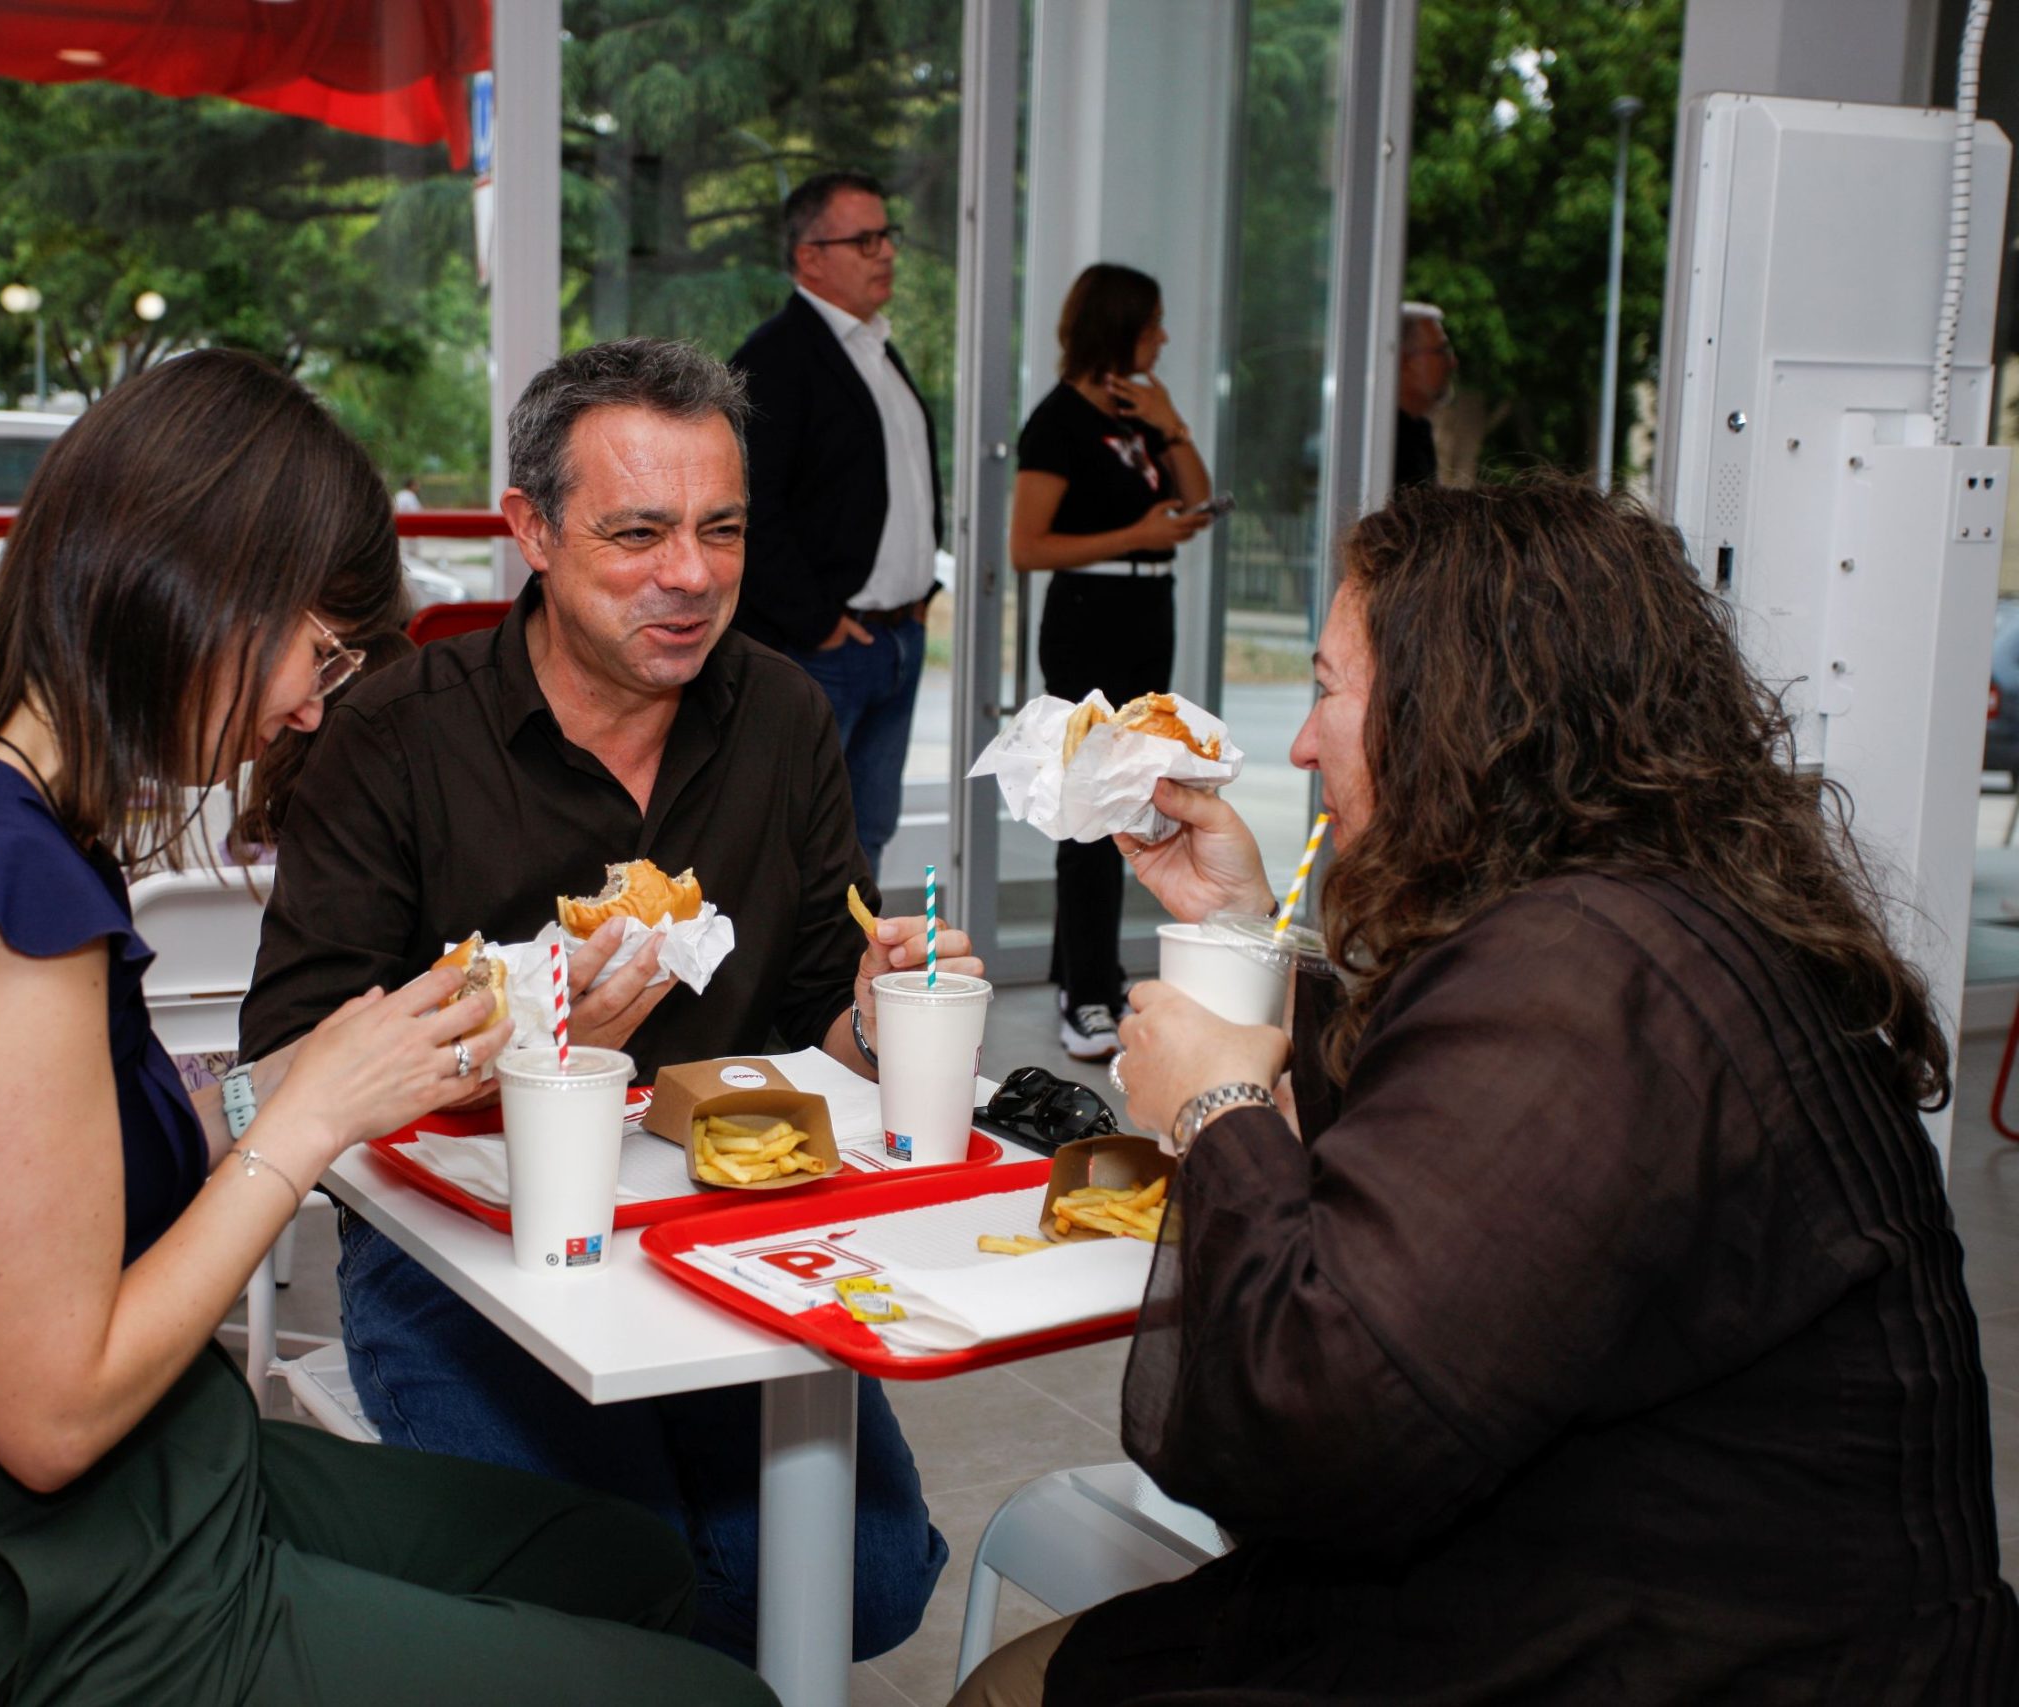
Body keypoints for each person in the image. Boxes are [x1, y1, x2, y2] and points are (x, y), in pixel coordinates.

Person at [0, 349, 776, 1707]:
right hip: (1, 1567)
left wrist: (342, 1065)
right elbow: (51, 1416)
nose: (310, 700)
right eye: (316, 647)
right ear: (197, 591)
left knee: (626, 1558)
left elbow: (68, 1169)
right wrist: (306, 1123)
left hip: (131, 1478)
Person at [955, 477, 2016, 1705]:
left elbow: (1320, 1413)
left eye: (1326, 690)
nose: (1301, 745)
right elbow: (1451, 1161)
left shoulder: (1588, 974)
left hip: (1709, 1653)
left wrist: (1215, 1118)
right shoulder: (1630, 915)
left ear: (1457, 710)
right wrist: (1248, 929)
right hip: (1643, 1581)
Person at [239, 337, 976, 1665]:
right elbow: (289, 1053)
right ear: (530, 528)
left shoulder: (786, 717)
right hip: (456, 1246)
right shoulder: (399, 733)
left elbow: (820, 1009)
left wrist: (881, 1010)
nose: (690, 575)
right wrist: (516, 1030)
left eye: (721, 528)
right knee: (612, 1589)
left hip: (720, 1221)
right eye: (636, 532)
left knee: (863, 1585)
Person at [1008, 263, 1214, 1062]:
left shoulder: (1136, 412)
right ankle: (1086, 993)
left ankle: (1084, 968)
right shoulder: (1057, 421)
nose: (1162, 337)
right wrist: (1137, 536)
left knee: (1134, 791)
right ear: (1119, 325)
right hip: (1089, 616)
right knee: (1096, 803)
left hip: (1144, 611)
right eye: (1153, 322)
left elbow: (1196, 503)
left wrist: (1172, 424)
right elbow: (1028, 547)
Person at [729, 168, 941, 884]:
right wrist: (817, 623)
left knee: (867, 836)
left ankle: (853, 989)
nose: (886, 252)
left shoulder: (875, 349)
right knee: (797, 846)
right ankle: (798, 996)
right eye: (864, 239)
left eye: (888, 236)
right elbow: (750, 509)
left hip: (896, 638)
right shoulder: (776, 357)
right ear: (809, 256)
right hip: (826, 647)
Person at [1393, 301, 1454, 490]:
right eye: (1440, 351)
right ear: (1404, 360)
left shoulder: (1416, 431)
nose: (1452, 362)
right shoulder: (1380, 435)